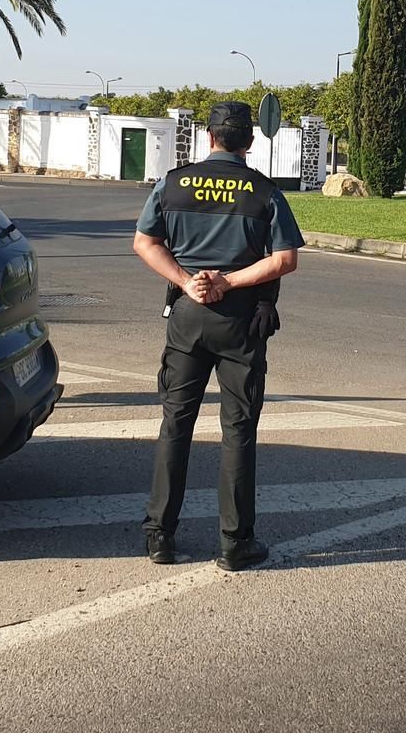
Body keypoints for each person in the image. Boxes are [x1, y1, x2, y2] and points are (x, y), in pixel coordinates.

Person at [132, 101, 303, 572]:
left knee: (175, 424)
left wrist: (188, 281)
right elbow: (285, 259)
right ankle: (235, 543)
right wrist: (230, 281)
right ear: (249, 142)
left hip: (187, 314)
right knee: (239, 430)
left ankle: (159, 537)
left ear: (208, 137)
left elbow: (145, 242)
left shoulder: (173, 183)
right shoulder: (263, 192)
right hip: (242, 321)